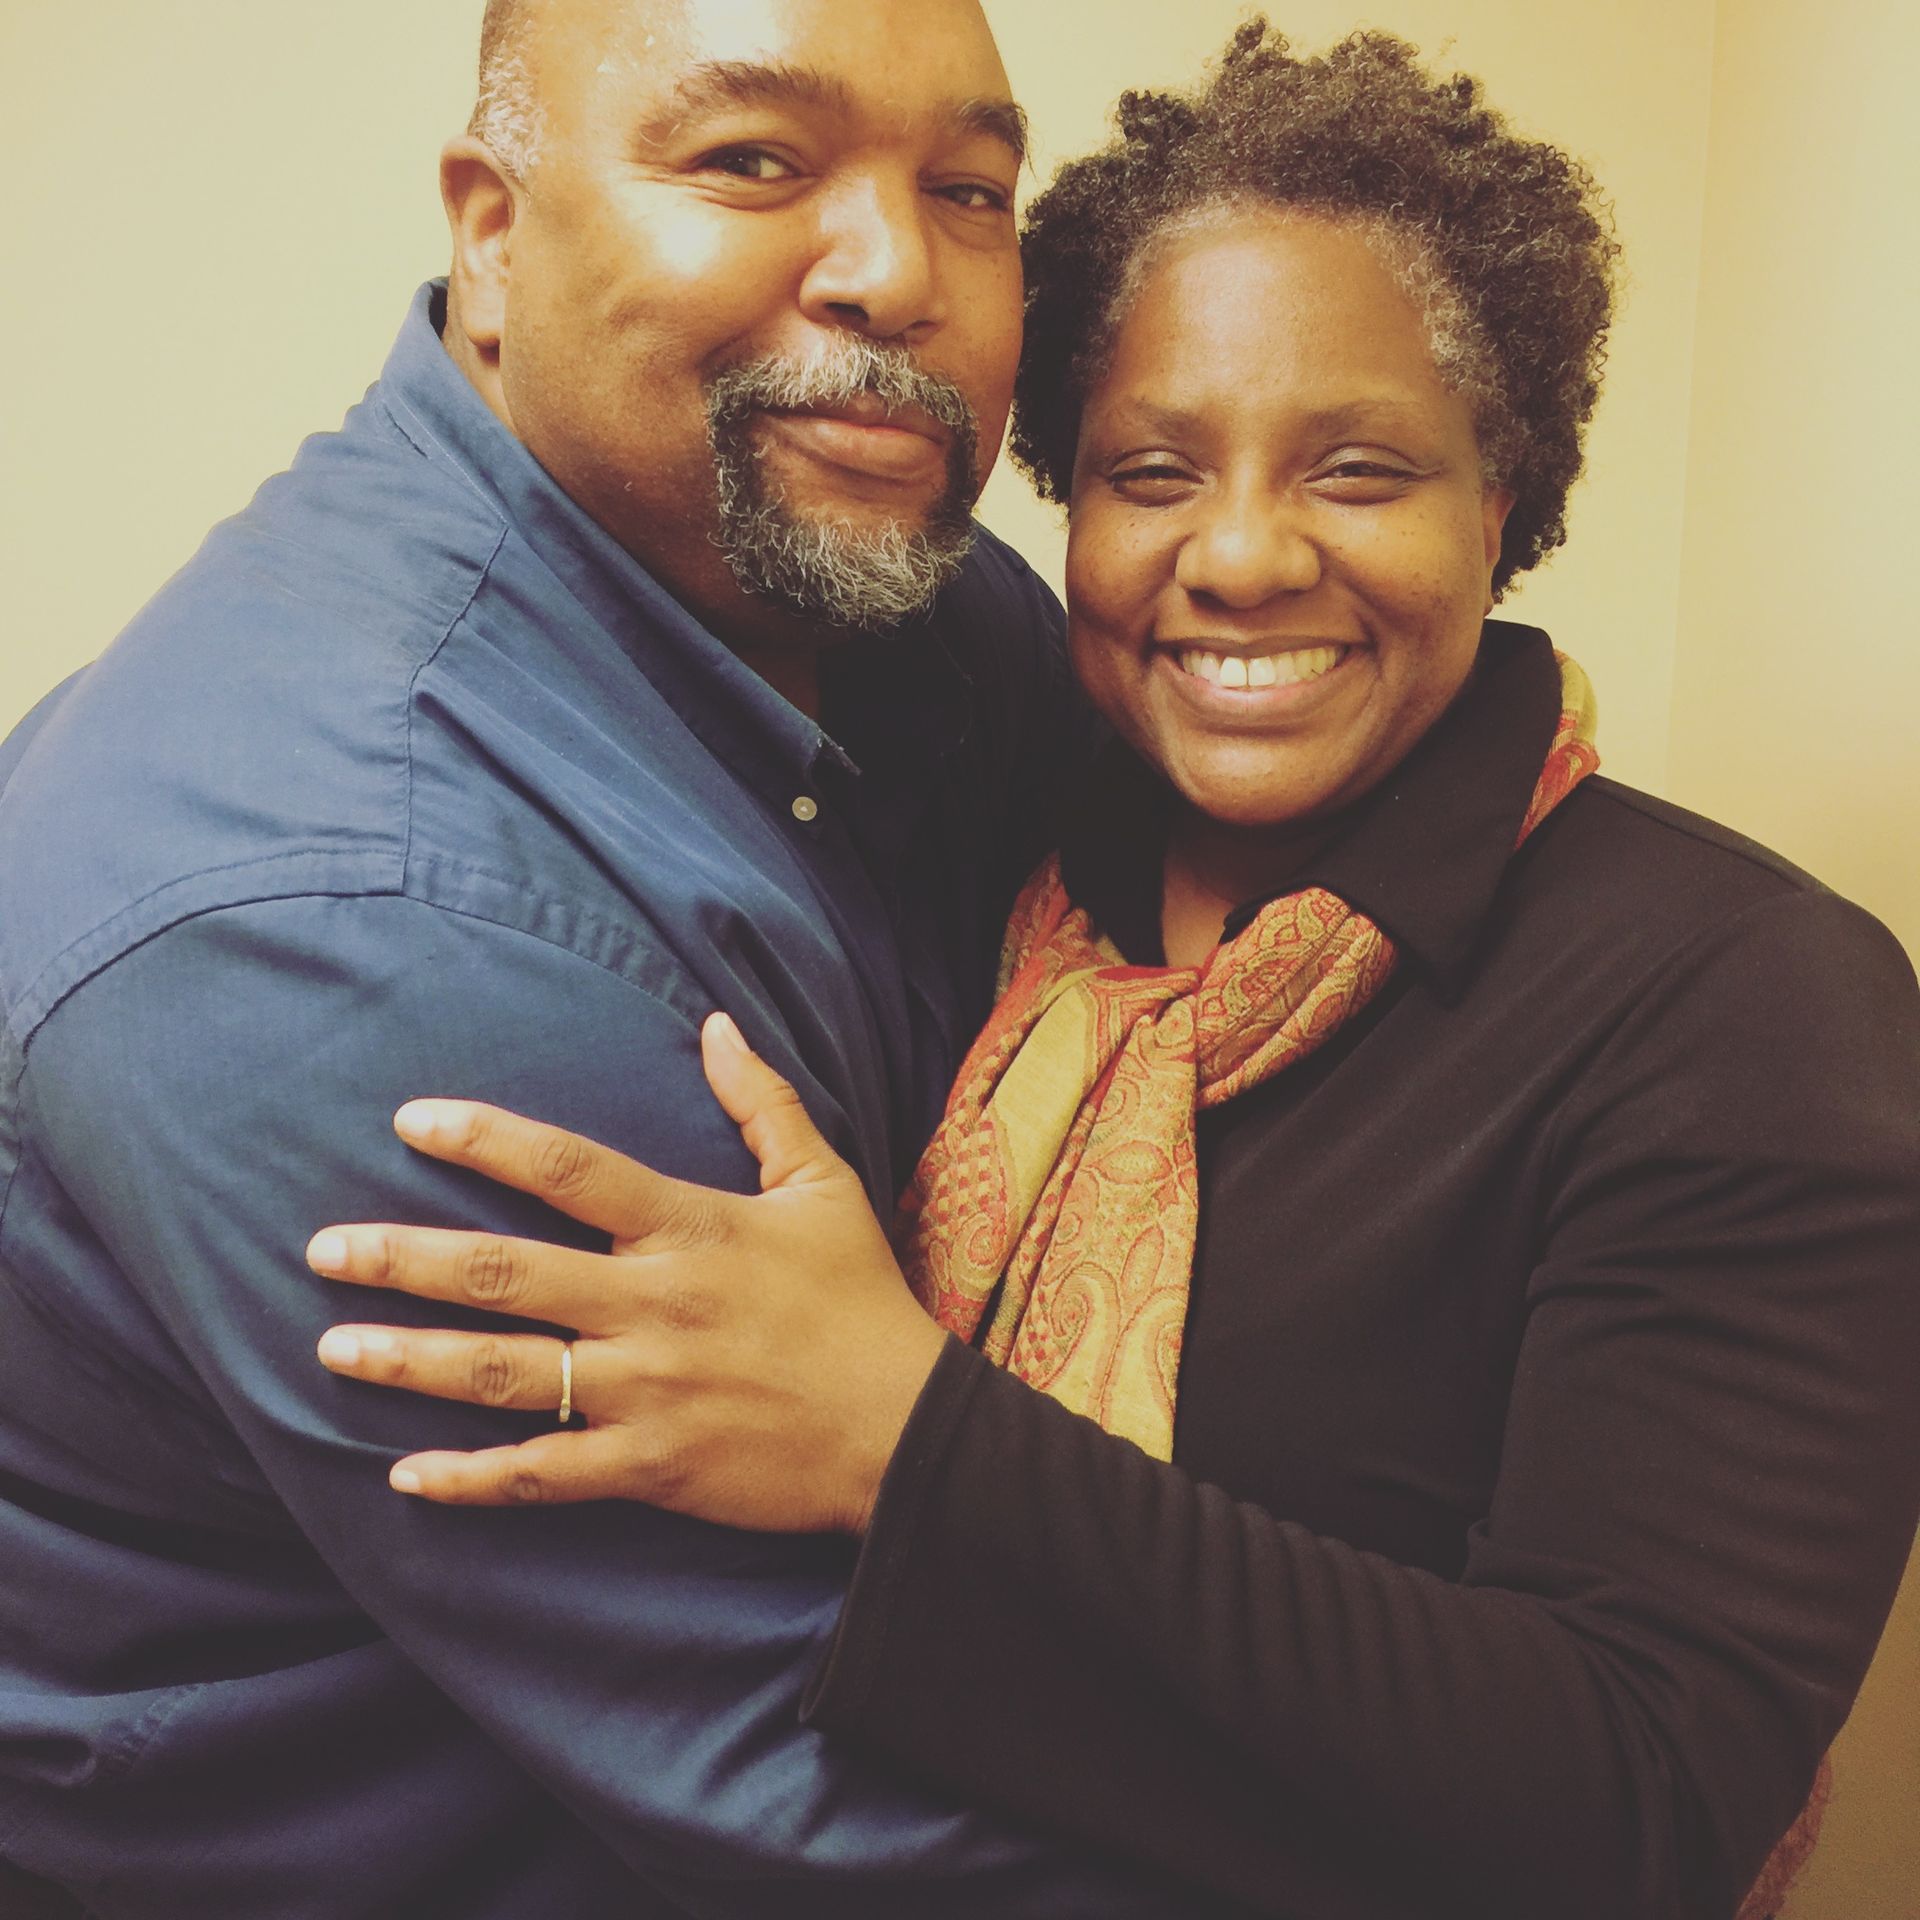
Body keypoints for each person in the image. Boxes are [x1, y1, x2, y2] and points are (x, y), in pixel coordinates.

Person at [309, 24, 1920, 1920]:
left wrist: (905, 1441)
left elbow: (1645, 1801)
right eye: (1153, 472)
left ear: (1506, 499)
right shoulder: (998, 867)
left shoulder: (1750, 1005)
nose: (1237, 557)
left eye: (1360, 469)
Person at [0, 1, 1229, 1914]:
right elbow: (857, 1813)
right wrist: (1532, 1795)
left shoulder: (859, 574)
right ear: (495, 235)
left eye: (972, 190)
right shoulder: (363, 931)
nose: (899, 271)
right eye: (752, 160)